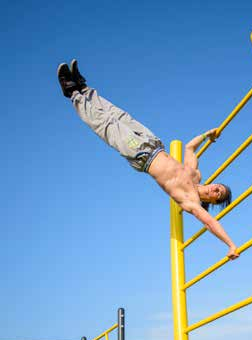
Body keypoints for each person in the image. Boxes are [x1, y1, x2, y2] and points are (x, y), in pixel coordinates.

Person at [57, 60, 239, 259]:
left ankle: (72, 92)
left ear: (213, 200)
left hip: (142, 157)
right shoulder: (195, 174)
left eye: (218, 194)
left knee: (105, 125)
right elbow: (189, 147)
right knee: (117, 115)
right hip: (154, 143)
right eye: (218, 186)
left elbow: (209, 223)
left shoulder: (191, 202)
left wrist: (230, 244)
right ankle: (84, 88)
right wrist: (207, 135)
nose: (215, 189)